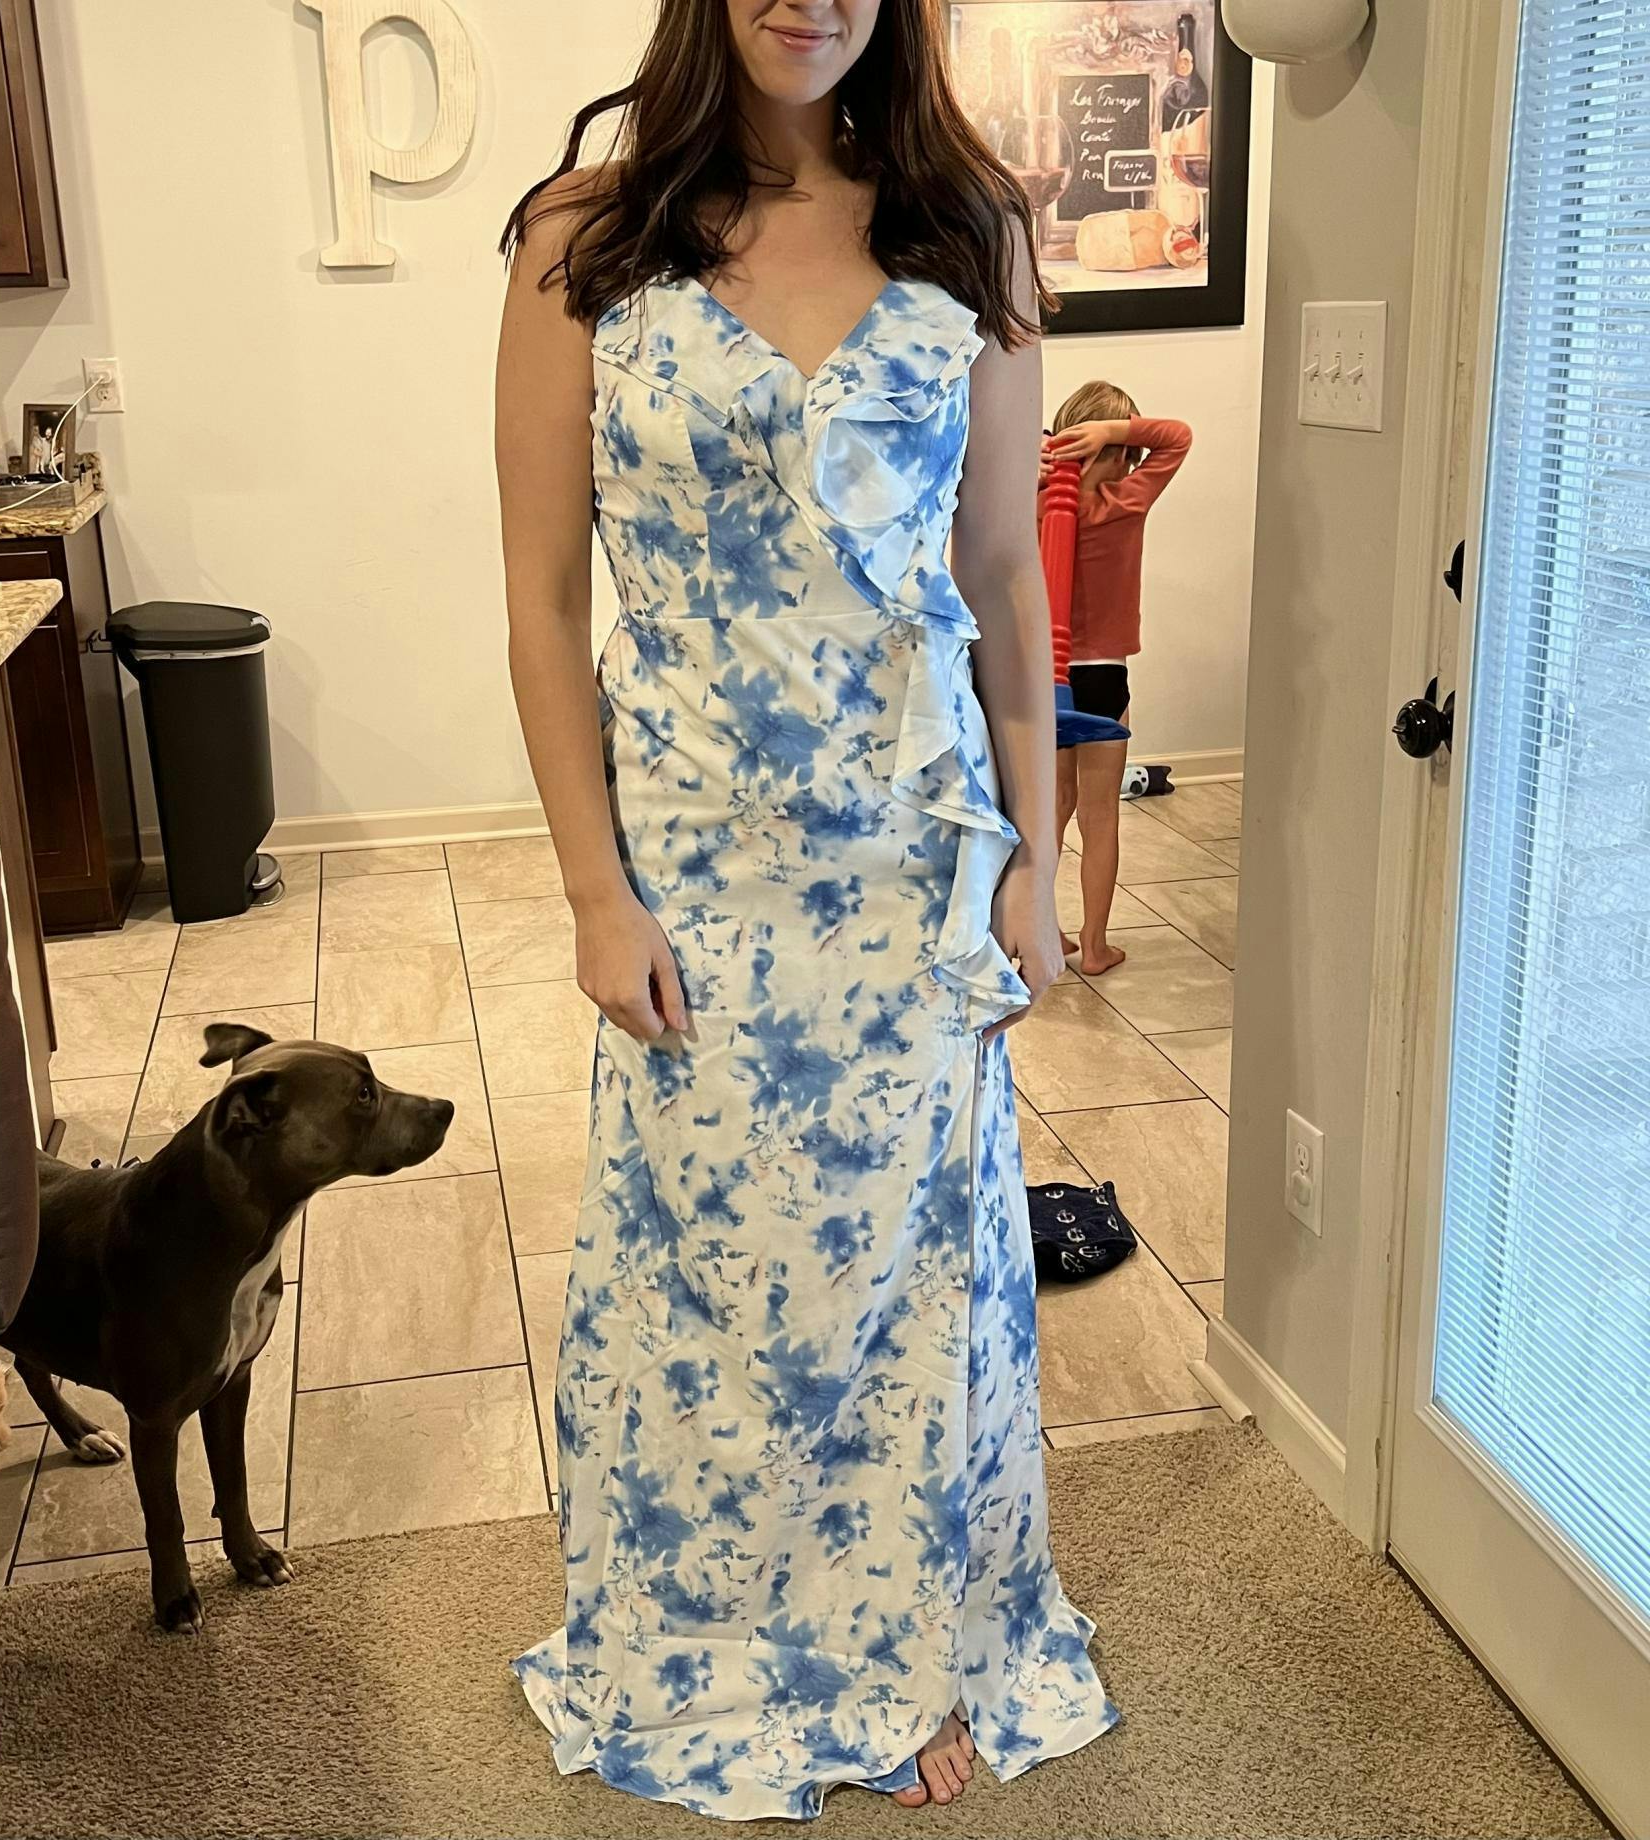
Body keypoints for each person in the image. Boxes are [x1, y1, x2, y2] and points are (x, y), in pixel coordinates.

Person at [494, 0, 1118, 1820]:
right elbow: (543, 599)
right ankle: (710, 1643)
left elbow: (1002, 574)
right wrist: (594, 892)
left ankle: (903, 1652)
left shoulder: (969, 226)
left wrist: (1033, 858)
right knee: (710, 1275)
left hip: (911, 862)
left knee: (904, 1280)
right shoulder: (584, 237)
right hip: (695, 865)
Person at [1043, 382, 1191, 974]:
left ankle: (1042, 929)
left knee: (1053, 805)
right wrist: (1116, 431)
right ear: (1124, 450)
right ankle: (1096, 943)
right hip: (1103, 673)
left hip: (1044, 674)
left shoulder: (1037, 501)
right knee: (1099, 813)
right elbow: (1177, 437)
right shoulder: (1126, 500)